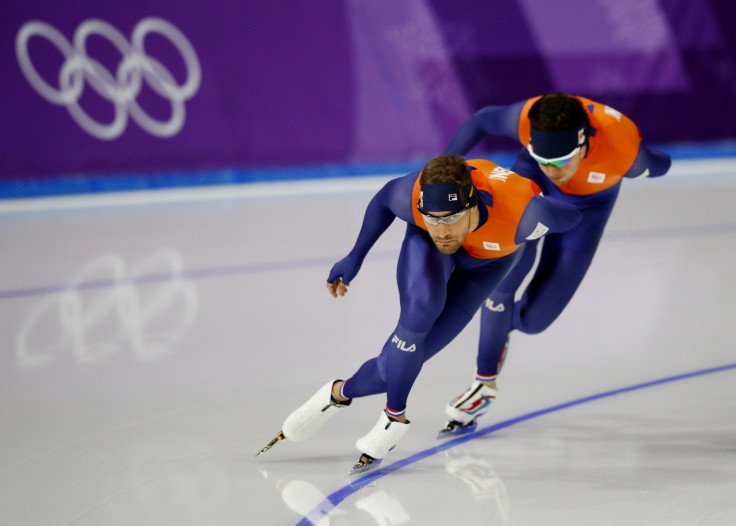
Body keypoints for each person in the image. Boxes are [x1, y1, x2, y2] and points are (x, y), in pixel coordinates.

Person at [256, 153, 582, 473]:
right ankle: (394, 418)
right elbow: (384, 198)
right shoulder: (415, 201)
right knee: (418, 314)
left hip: (488, 266)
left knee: (392, 367)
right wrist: (355, 256)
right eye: (433, 217)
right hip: (427, 251)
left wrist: (540, 231)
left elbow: (573, 216)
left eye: (451, 217)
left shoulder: (523, 212)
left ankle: (337, 393)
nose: (442, 230)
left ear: (473, 203)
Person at [439, 93, 672, 436]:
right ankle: (484, 384)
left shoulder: (626, 151)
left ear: (582, 144)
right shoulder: (526, 116)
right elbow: (482, 119)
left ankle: (503, 326)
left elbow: (660, 164)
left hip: (586, 212)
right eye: (543, 157)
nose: (553, 170)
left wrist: (661, 162)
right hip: (528, 188)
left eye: (561, 161)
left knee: (536, 320)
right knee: (505, 277)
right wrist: (443, 169)